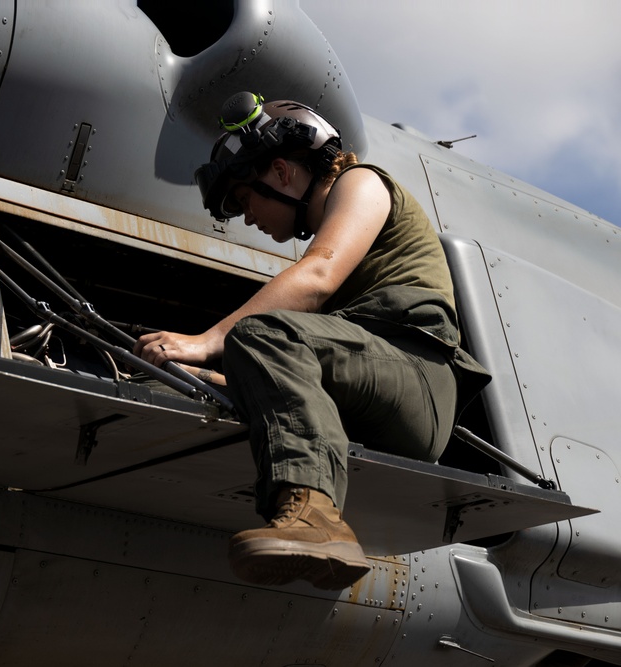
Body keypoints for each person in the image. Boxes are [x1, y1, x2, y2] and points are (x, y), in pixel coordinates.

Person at [135, 92, 490, 590]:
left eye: (245, 198)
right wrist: (204, 375)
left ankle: (314, 517)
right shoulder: (331, 233)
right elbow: (301, 376)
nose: (249, 217)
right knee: (219, 372)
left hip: (416, 375)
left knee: (262, 335)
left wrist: (208, 341)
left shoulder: (361, 183)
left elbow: (317, 276)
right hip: (372, 388)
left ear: (282, 171)